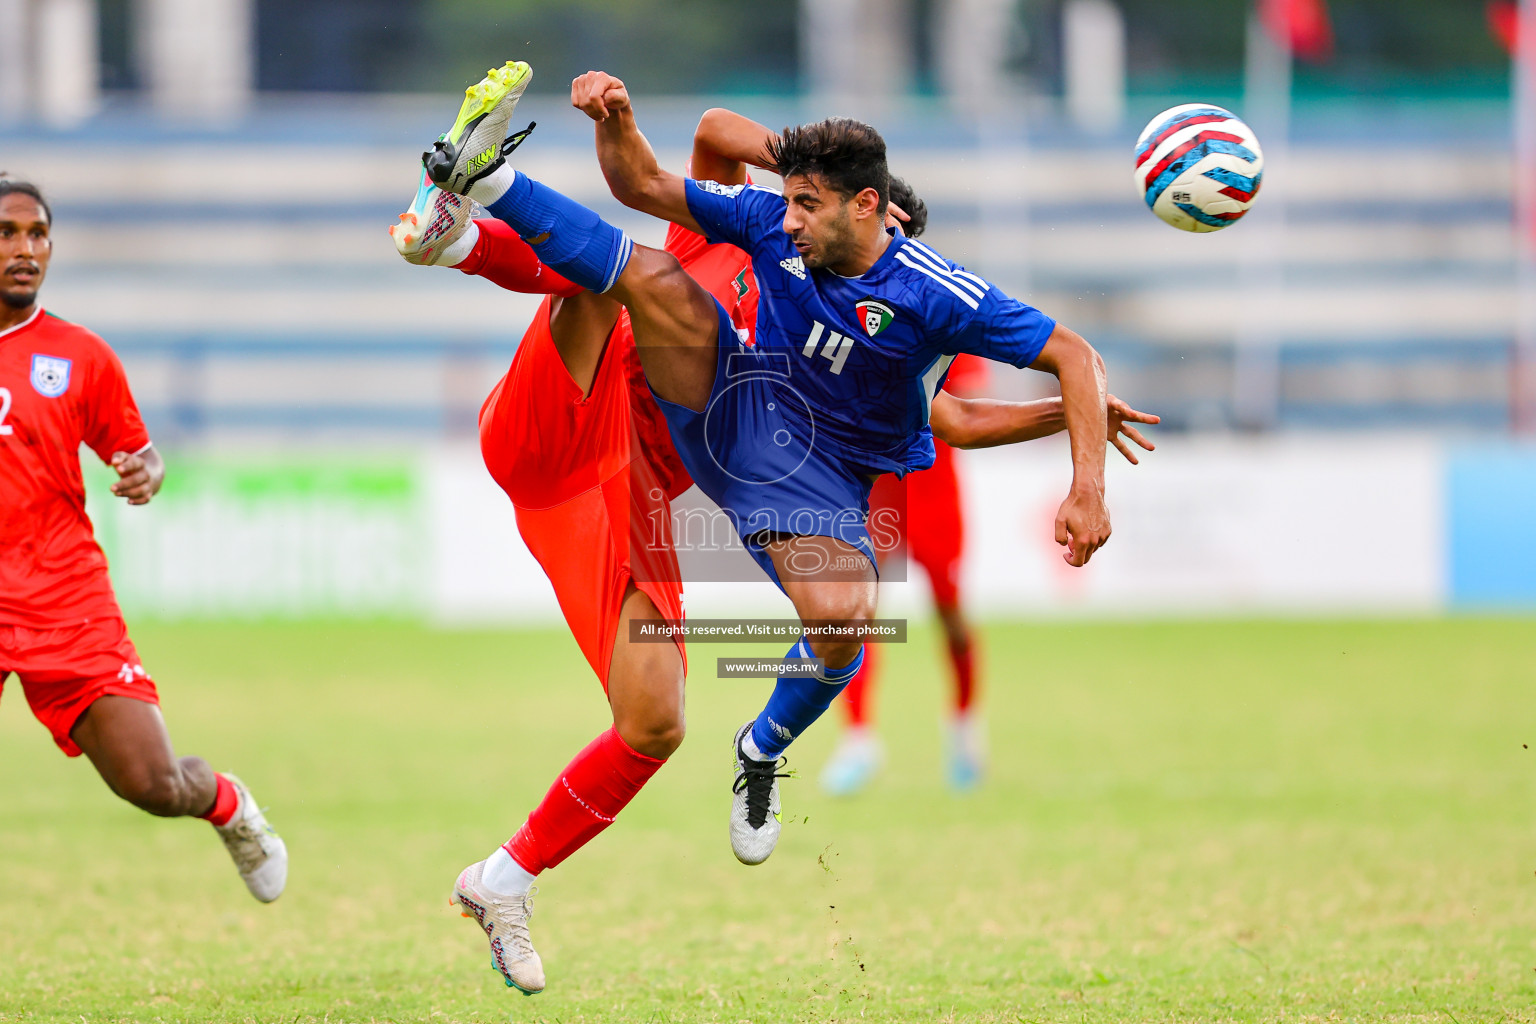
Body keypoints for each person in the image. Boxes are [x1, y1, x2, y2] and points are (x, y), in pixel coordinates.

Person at [391, 116, 1153, 995]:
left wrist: (1070, 423)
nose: (790, 221)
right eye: (789, 204)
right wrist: (782, 170)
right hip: (552, 420)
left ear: (872, 218)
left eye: (809, 207)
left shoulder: (894, 303)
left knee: (660, 720)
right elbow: (696, 146)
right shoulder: (744, 228)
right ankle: (469, 219)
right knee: (630, 273)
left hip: (628, 489)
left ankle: (506, 878)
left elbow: (950, 411)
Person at [0, 177, 287, 902]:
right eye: (7, 233)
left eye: (36, 234)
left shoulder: (79, 356)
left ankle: (226, 803)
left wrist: (143, 472)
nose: (24, 249)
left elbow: (140, 448)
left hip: (62, 598)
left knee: (151, 784)